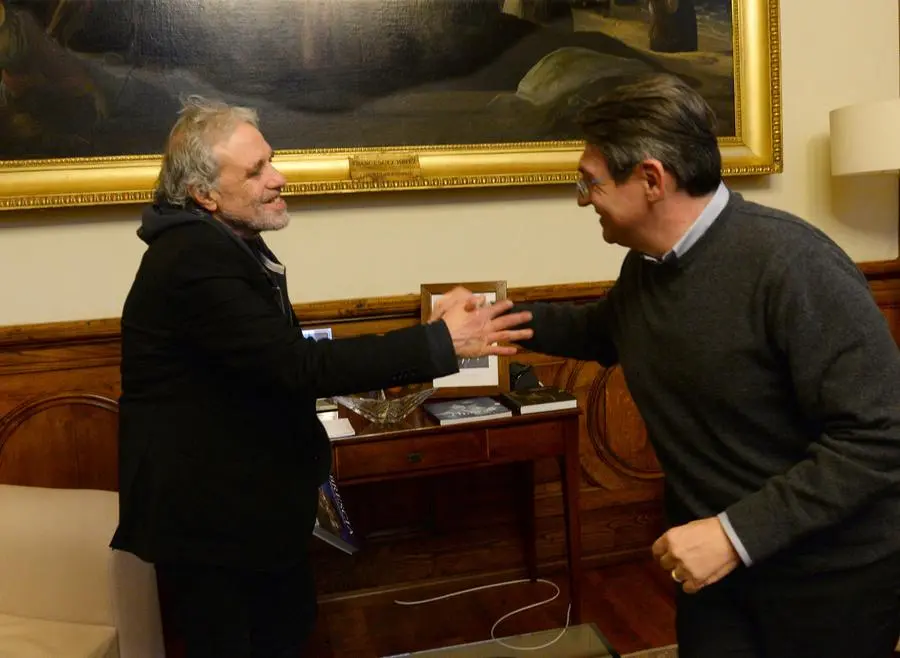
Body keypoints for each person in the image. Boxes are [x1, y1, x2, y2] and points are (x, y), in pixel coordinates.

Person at [109, 95, 534, 658]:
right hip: (212, 517)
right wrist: (439, 343)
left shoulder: (218, 241)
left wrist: (429, 339)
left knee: (287, 627)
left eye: (271, 161)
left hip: (245, 506)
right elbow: (297, 366)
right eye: (256, 170)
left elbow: (271, 362)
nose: (279, 178)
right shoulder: (191, 258)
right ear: (204, 194)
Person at [501, 73, 900, 658]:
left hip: (828, 578)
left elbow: (881, 435)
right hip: (717, 569)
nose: (583, 200)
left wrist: (735, 535)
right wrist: (495, 321)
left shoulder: (793, 265)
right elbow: (606, 329)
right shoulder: (651, 265)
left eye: (590, 183)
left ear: (652, 180)